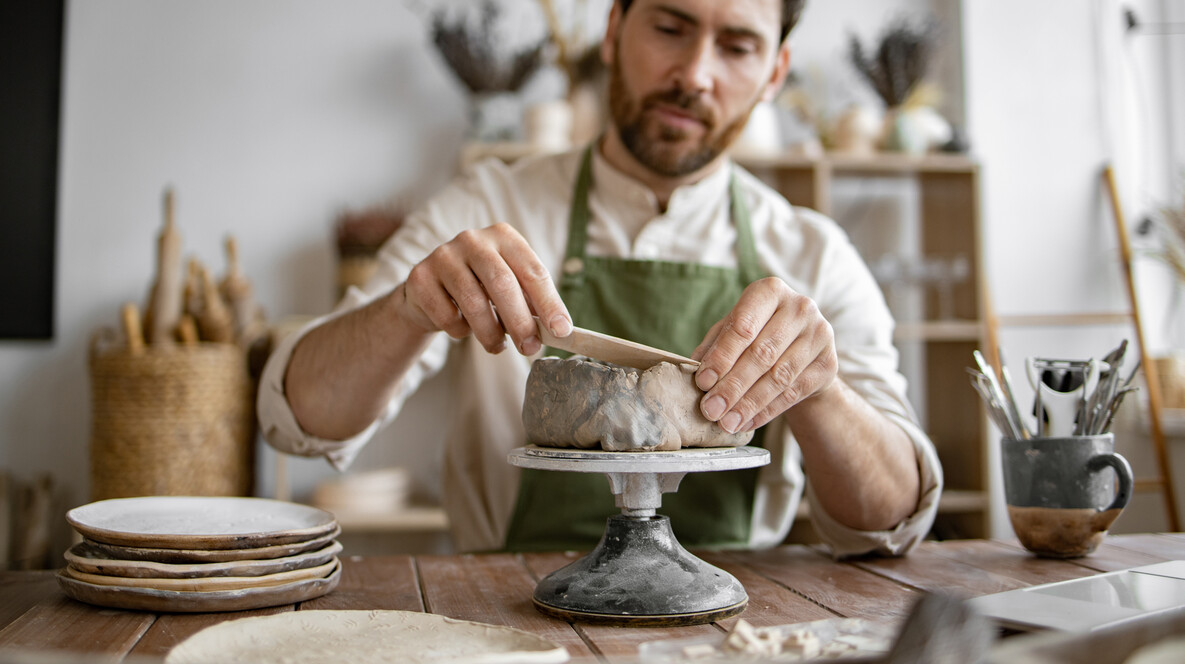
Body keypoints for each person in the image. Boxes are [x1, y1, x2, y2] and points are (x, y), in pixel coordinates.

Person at [258, 0, 942, 555]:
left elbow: (893, 520)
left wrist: (820, 393)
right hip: (511, 616)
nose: (694, 74)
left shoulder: (813, 253)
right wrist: (405, 310)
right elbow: (297, 421)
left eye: (735, 46)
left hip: (733, 627)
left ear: (773, 73)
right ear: (613, 31)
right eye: (670, 28)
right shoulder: (489, 207)